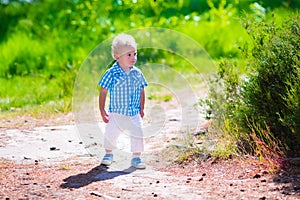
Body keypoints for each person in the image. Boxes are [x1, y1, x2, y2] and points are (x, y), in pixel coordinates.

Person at [98, 33, 147, 169]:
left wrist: (141, 108)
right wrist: (102, 110)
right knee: (111, 133)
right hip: (116, 113)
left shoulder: (137, 73)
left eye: (134, 54)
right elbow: (103, 91)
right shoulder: (111, 73)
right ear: (117, 56)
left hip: (133, 112)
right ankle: (108, 153)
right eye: (128, 55)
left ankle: (136, 157)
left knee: (138, 134)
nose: (133, 58)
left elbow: (142, 90)